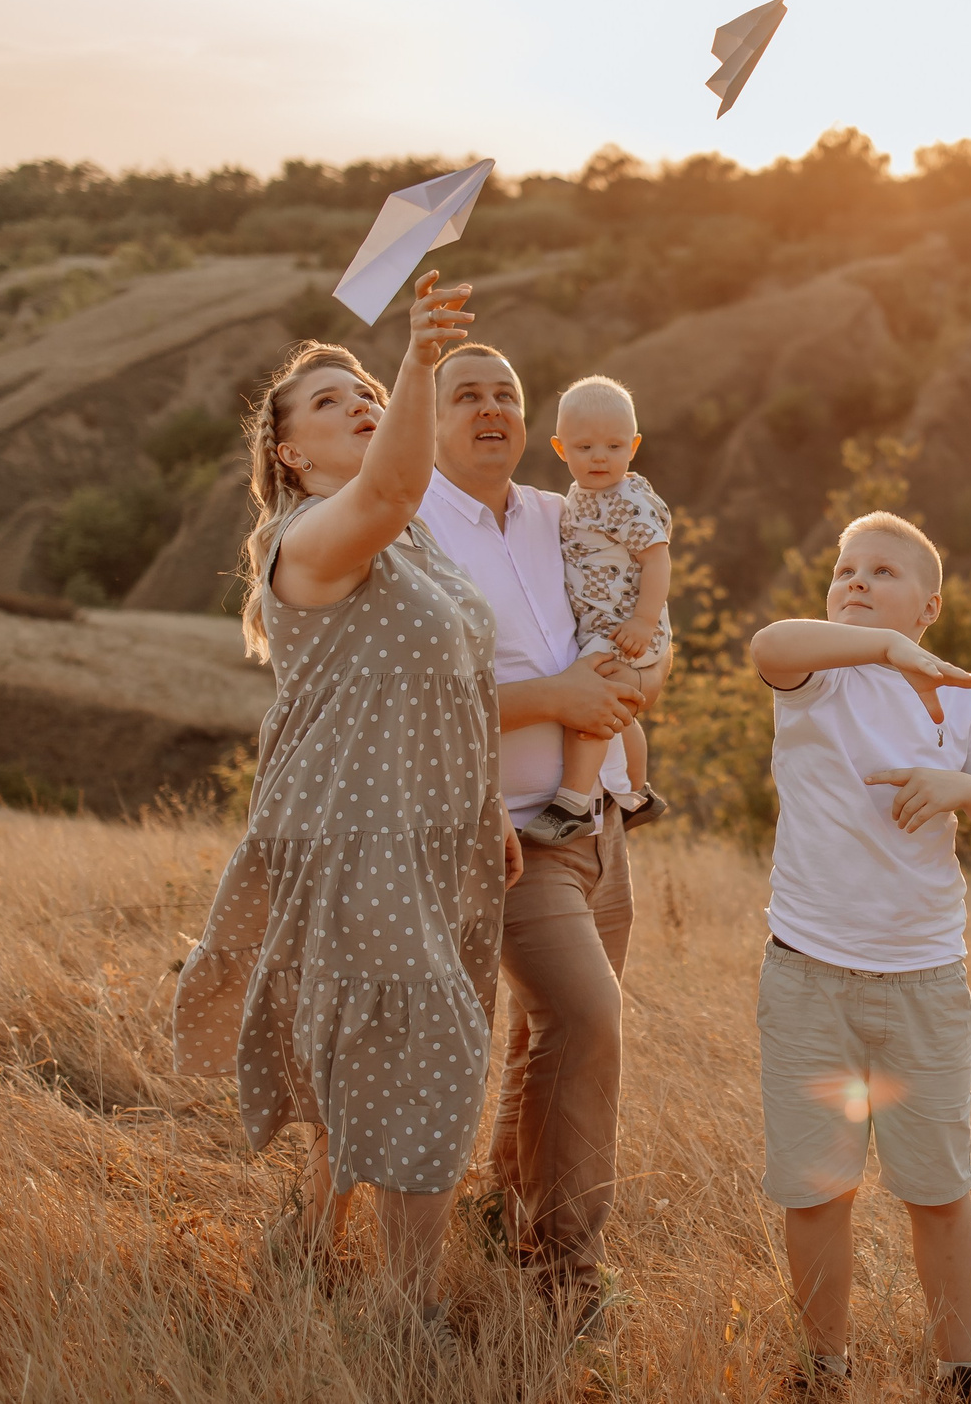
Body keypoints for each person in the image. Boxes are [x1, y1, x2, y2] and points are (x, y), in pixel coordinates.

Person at [172, 275, 518, 1335]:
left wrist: (488, 809)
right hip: (351, 835)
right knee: (427, 1051)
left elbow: (462, 681)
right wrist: (415, 362)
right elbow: (390, 490)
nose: (357, 401)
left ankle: (304, 1252)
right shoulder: (315, 537)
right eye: (329, 401)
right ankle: (411, 1313)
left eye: (364, 386)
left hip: (433, 836)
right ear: (286, 451)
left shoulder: (413, 549)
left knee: (377, 1051)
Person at [746, 510, 971, 1399]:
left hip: (923, 981)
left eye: (882, 572)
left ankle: (960, 1369)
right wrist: (877, 652)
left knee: (937, 1187)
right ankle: (821, 1367)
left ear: (930, 607)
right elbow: (767, 641)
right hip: (809, 976)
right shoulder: (818, 678)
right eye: (844, 570)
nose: (856, 582)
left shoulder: (965, 704)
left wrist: (963, 791)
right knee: (816, 1187)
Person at [413, 343, 665, 1313]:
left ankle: (503, 1212)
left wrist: (636, 681)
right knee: (586, 1019)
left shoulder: (564, 514)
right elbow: (419, 701)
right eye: (464, 394)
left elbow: (645, 624)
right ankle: (565, 1274)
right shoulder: (415, 530)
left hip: (596, 820)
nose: (488, 408)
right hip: (508, 832)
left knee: (541, 1035)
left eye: (504, 394)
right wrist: (558, 695)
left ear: (531, 424)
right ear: (430, 422)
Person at [519, 374, 673, 845]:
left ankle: (574, 801)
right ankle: (639, 792)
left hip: (626, 626)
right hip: (602, 627)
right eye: (584, 447)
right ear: (561, 449)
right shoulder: (580, 498)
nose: (600, 457)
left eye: (613, 445)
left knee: (583, 699)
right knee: (616, 707)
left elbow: (657, 558)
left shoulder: (628, 501)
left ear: (634, 445)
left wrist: (644, 621)